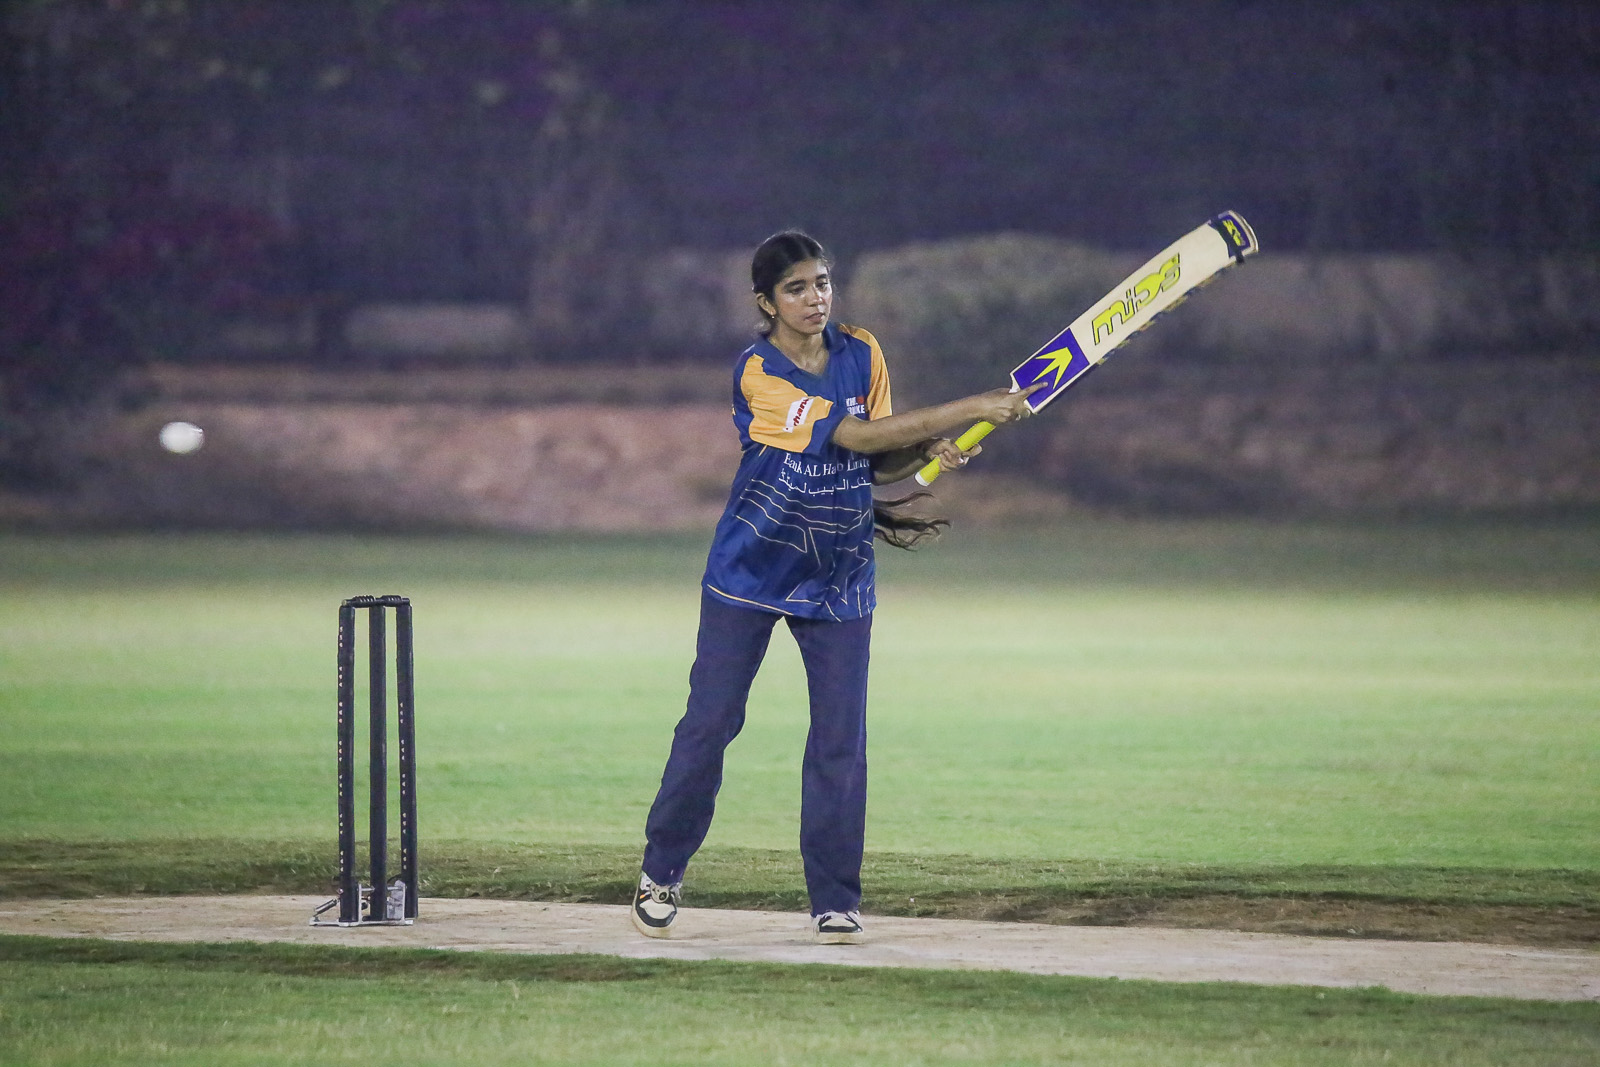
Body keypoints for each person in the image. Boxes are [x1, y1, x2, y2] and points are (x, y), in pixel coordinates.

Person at [631, 230, 1038, 944]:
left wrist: (928, 449)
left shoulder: (862, 352)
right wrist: (975, 404)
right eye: (796, 288)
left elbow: (880, 458)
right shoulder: (759, 373)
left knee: (839, 742)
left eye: (821, 282)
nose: (814, 297)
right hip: (752, 569)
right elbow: (851, 437)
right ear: (766, 302)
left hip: (840, 573)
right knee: (711, 724)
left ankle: (834, 897)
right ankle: (662, 868)